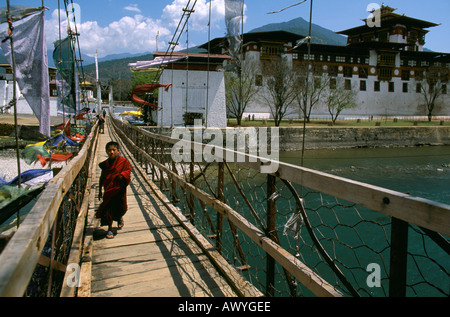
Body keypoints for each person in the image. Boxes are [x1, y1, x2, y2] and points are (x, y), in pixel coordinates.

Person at [96, 141, 132, 239]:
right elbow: (102, 177)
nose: (111, 152)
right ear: (106, 152)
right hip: (109, 190)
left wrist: (122, 175)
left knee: (122, 207)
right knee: (109, 209)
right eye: (109, 150)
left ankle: (120, 217)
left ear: (118, 151)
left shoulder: (123, 162)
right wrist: (100, 190)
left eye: (113, 150)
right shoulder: (106, 164)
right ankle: (110, 229)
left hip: (119, 190)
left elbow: (128, 171)